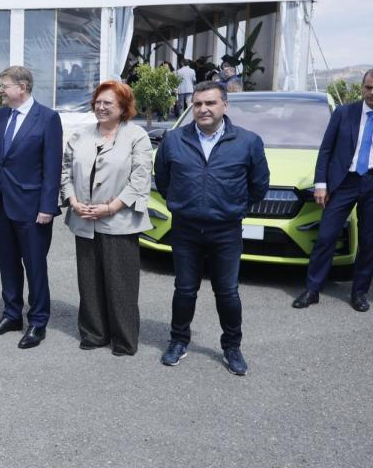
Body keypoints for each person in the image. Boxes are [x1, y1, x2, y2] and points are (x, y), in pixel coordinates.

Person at [154, 80, 269, 375]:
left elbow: (259, 186)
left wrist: (235, 210)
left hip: (226, 230)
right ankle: (178, 341)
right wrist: (182, 204)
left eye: (210, 103)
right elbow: (163, 179)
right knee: (184, 289)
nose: (203, 109)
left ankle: (232, 347)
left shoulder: (248, 142)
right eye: (198, 104)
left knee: (228, 292)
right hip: (185, 229)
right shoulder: (174, 140)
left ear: (225, 106)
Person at [61, 81, 152, 356]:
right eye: (98, 102)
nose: (101, 107)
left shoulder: (137, 136)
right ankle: (93, 333)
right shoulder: (81, 135)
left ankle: (124, 339)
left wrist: (111, 207)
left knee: (120, 283)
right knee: (88, 281)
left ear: (123, 107)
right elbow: (65, 171)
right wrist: (73, 200)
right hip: (83, 218)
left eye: (107, 103)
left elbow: (139, 179)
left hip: (120, 220)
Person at [0, 66, 62, 349]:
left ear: (23, 87)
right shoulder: (1, 115)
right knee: (7, 265)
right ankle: (11, 315)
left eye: (4, 85)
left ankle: (38, 322)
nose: (0, 90)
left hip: (32, 208)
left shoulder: (48, 118)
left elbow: (52, 167)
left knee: (35, 267)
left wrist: (47, 207)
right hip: (2, 205)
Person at [292, 70, 373, 312]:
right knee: (326, 237)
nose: (372, 93)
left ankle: (359, 292)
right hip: (344, 181)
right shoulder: (344, 112)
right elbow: (326, 149)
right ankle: (312, 290)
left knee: (369, 242)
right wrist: (321, 184)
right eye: (368, 87)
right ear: (362, 87)